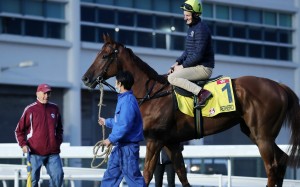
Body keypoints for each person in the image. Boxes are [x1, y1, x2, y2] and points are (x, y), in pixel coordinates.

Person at [98, 71, 146, 187]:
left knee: (133, 179)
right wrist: (106, 122)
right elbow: (119, 122)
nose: (115, 85)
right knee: (110, 176)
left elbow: (124, 125)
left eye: (116, 82)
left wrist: (110, 139)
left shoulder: (127, 101)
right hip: (121, 146)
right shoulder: (125, 99)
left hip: (128, 148)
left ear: (120, 83)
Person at [167, 0, 215, 108]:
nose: (185, 18)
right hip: (195, 66)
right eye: (184, 15)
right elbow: (188, 51)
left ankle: (202, 93)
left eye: (188, 15)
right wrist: (177, 62)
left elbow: (198, 55)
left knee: (172, 78)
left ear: (196, 14)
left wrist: (182, 66)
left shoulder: (201, 29)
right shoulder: (192, 28)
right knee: (170, 74)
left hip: (204, 68)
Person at [15, 84, 64, 187]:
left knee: (58, 176)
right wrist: (23, 145)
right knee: (32, 181)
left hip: (53, 153)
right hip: (34, 152)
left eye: (48, 93)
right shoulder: (30, 110)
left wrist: (57, 142)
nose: (46, 96)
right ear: (37, 93)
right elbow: (19, 131)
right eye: (44, 93)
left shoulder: (54, 108)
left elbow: (59, 129)